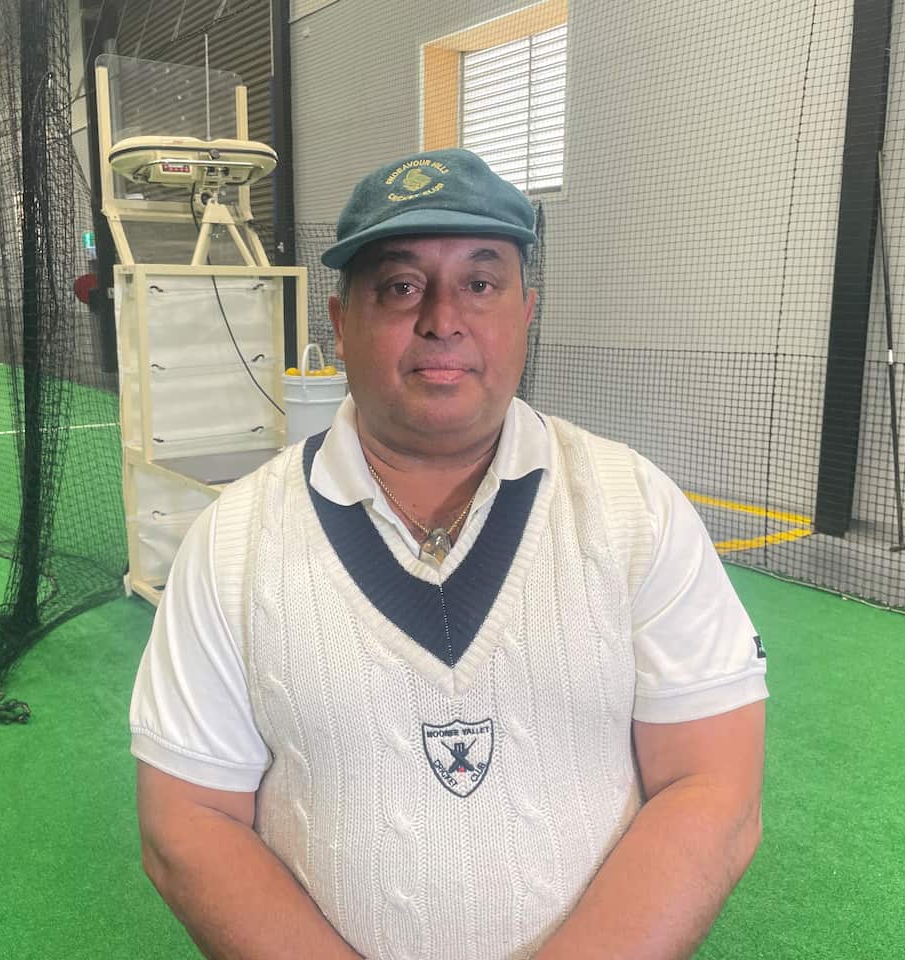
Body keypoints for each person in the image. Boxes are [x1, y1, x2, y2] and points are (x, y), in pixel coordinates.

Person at [129, 148, 768, 960]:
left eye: (480, 282)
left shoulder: (631, 507)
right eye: (399, 286)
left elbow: (713, 788)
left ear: (526, 311)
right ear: (340, 321)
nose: (442, 318)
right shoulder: (233, 542)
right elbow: (187, 824)